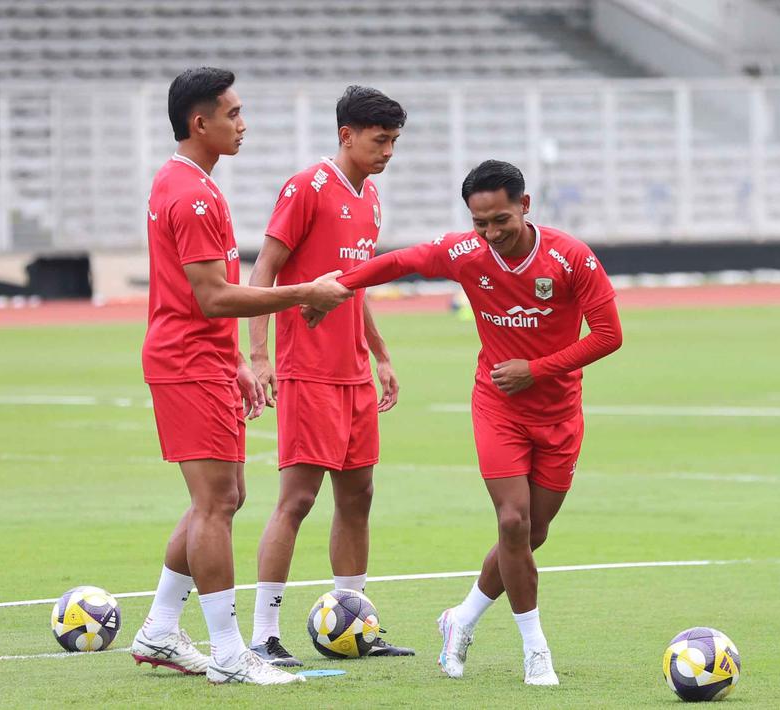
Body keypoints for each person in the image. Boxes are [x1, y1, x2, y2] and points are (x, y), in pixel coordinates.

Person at [310, 160, 622, 685]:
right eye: (480, 223)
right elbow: (402, 261)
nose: (492, 234)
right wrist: (339, 285)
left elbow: (609, 334)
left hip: (560, 414)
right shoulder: (467, 253)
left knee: (533, 533)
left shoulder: (570, 258)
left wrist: (537, 370)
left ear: (525, 206)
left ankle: (462, 617)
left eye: (501, 219)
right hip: (498, 406)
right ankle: (535, 648)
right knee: (512, 523)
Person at [130, 66, 352, 686]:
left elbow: (193, 292)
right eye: (232, 114)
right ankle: (229, 653)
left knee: (224, 499)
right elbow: (212, 297)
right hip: (185, 360)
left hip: (200, 356)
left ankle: (159, 629)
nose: (242, 124)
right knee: (215, 504)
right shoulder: (194, 194)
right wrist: (301, 292)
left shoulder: (184, 182)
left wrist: (235, 360)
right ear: (199, 123)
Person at [245, 85, 414, 666]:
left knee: (359, 495)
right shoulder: (306, 188)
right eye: (380, 139)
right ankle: (263, 635)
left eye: (394, 141)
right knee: (297, 499)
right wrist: (259, 355)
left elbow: (354, 285)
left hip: (353, 374)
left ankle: (354, 620)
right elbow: (264, 269)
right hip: (306, 370)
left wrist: (382, 355)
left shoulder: (370, 196)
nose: (388, 151)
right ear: (347, 134)